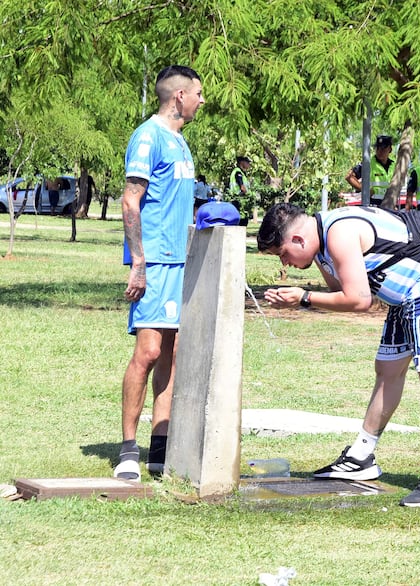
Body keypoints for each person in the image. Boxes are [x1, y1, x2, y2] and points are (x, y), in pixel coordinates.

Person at [257, 203, 420, 507]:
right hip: (404, 296)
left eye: (284, 254)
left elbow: (358, 299)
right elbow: (341, 289)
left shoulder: (338, 234)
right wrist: (312, 273)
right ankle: (361, 456)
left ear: (298, 239)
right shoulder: (322, 241)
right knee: (388, 369)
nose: (285, 264)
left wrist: (302, 298)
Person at [114, 65, 204, 481]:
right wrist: (138, 263)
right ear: (179, 95)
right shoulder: (147, 137)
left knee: (173, 352)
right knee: (148, 352)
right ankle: (128, 450)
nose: (202, 101)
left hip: (180, 262)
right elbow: (130, 202)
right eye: (198, 94)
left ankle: (160, 447)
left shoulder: (181, 142)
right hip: (154, 261)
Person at [344, 134, 396, 207]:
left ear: (390, 149)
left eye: (383, 148)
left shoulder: (394, 165)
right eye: (378, 148)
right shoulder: (368, 163)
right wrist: (364, 190)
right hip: (372, 206)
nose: (380, 151)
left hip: (389, 205)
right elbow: (348, 176)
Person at [228, 155, 252, 225]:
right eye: (247, 162)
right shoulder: (238, 172)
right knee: (242, 221)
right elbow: (242, 188)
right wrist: (249, 195)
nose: (249, 165)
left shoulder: (241, 173)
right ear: (242, 162)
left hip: (238, 200)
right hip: (239, 200)